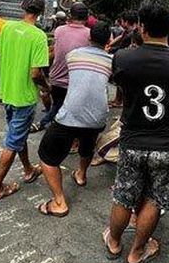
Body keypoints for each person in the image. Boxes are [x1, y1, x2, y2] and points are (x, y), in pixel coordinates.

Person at [104, 0, 169, 263]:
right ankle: (137, 251)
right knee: (155, 199)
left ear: (141, 26)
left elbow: (121, 87)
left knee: (124, 195)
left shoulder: (122, 58)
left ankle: (114, 242)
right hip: (168, 144)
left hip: (133, 140)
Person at [36, 22, 113, 217]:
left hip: (71, 114)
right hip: (97, 117)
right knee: (86, 146)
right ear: (109, 41)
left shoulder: (74, 55)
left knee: (46, 155)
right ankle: (81, 174)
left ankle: (60, 202)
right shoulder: (112, 61)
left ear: (89, 38)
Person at [0, 0, 50, 203]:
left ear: (22, 6)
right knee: (13, 141)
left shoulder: (7, 28)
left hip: (6, 92)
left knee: (16, 131)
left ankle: (28, 169)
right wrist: (46, 88)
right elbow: (35, 73)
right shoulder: (38, 36)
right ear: (41, 12)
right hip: (23, 96)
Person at [33, 2, 91, 132]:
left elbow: (55, 50)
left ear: (70, 16)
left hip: (56, 79)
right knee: (66, 108)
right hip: (75, 81)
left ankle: (46, 121)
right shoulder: (89, 34)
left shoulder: (59, 31)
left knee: (58, 104)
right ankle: (46, 122)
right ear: (86, 17)